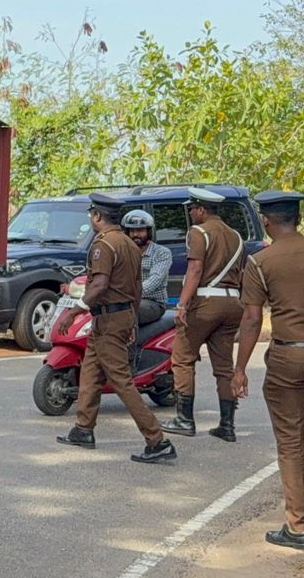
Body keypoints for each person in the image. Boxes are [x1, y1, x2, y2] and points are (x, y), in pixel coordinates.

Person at [57, 193, 177, 464]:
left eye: (91, 214)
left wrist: (74, 312)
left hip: (109, 320)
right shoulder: (129, 245)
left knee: (121, 380)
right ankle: (83, 429)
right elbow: (137, 289)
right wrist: (132, 320)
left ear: (97, 216)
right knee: (90, 371)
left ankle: (157, 440)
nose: (91, 218)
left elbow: (99, 285)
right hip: (116, 318)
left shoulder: (104, 245)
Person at [231, 190, 304, 551]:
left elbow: (252, 320)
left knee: (291, 443)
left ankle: (297, 527)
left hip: (288, 358)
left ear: (266, 220)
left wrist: (239, 370)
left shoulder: (261, 262)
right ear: (297, 217)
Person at [160, 187, 246, 441]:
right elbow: (241, 274)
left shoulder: (198, 232)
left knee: (182, 357)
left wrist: (183, 305)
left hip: (206, 303)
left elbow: (195, 270)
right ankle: (227, 425)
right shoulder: (236, 236)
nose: (190, 213)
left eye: (191, 209)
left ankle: (184, 419)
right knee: (224, 367)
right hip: (232, 304)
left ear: (201, 209)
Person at [123, 209, 169, 325]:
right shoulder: (124, 252)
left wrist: (127, 294)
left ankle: (132, 343)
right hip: (126, 299)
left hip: (153, 302)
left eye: (140, 230)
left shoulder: (161, 252)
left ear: (148, 232)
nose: (135, 235)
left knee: (127, 312)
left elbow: (155, 280)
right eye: (132, 231)